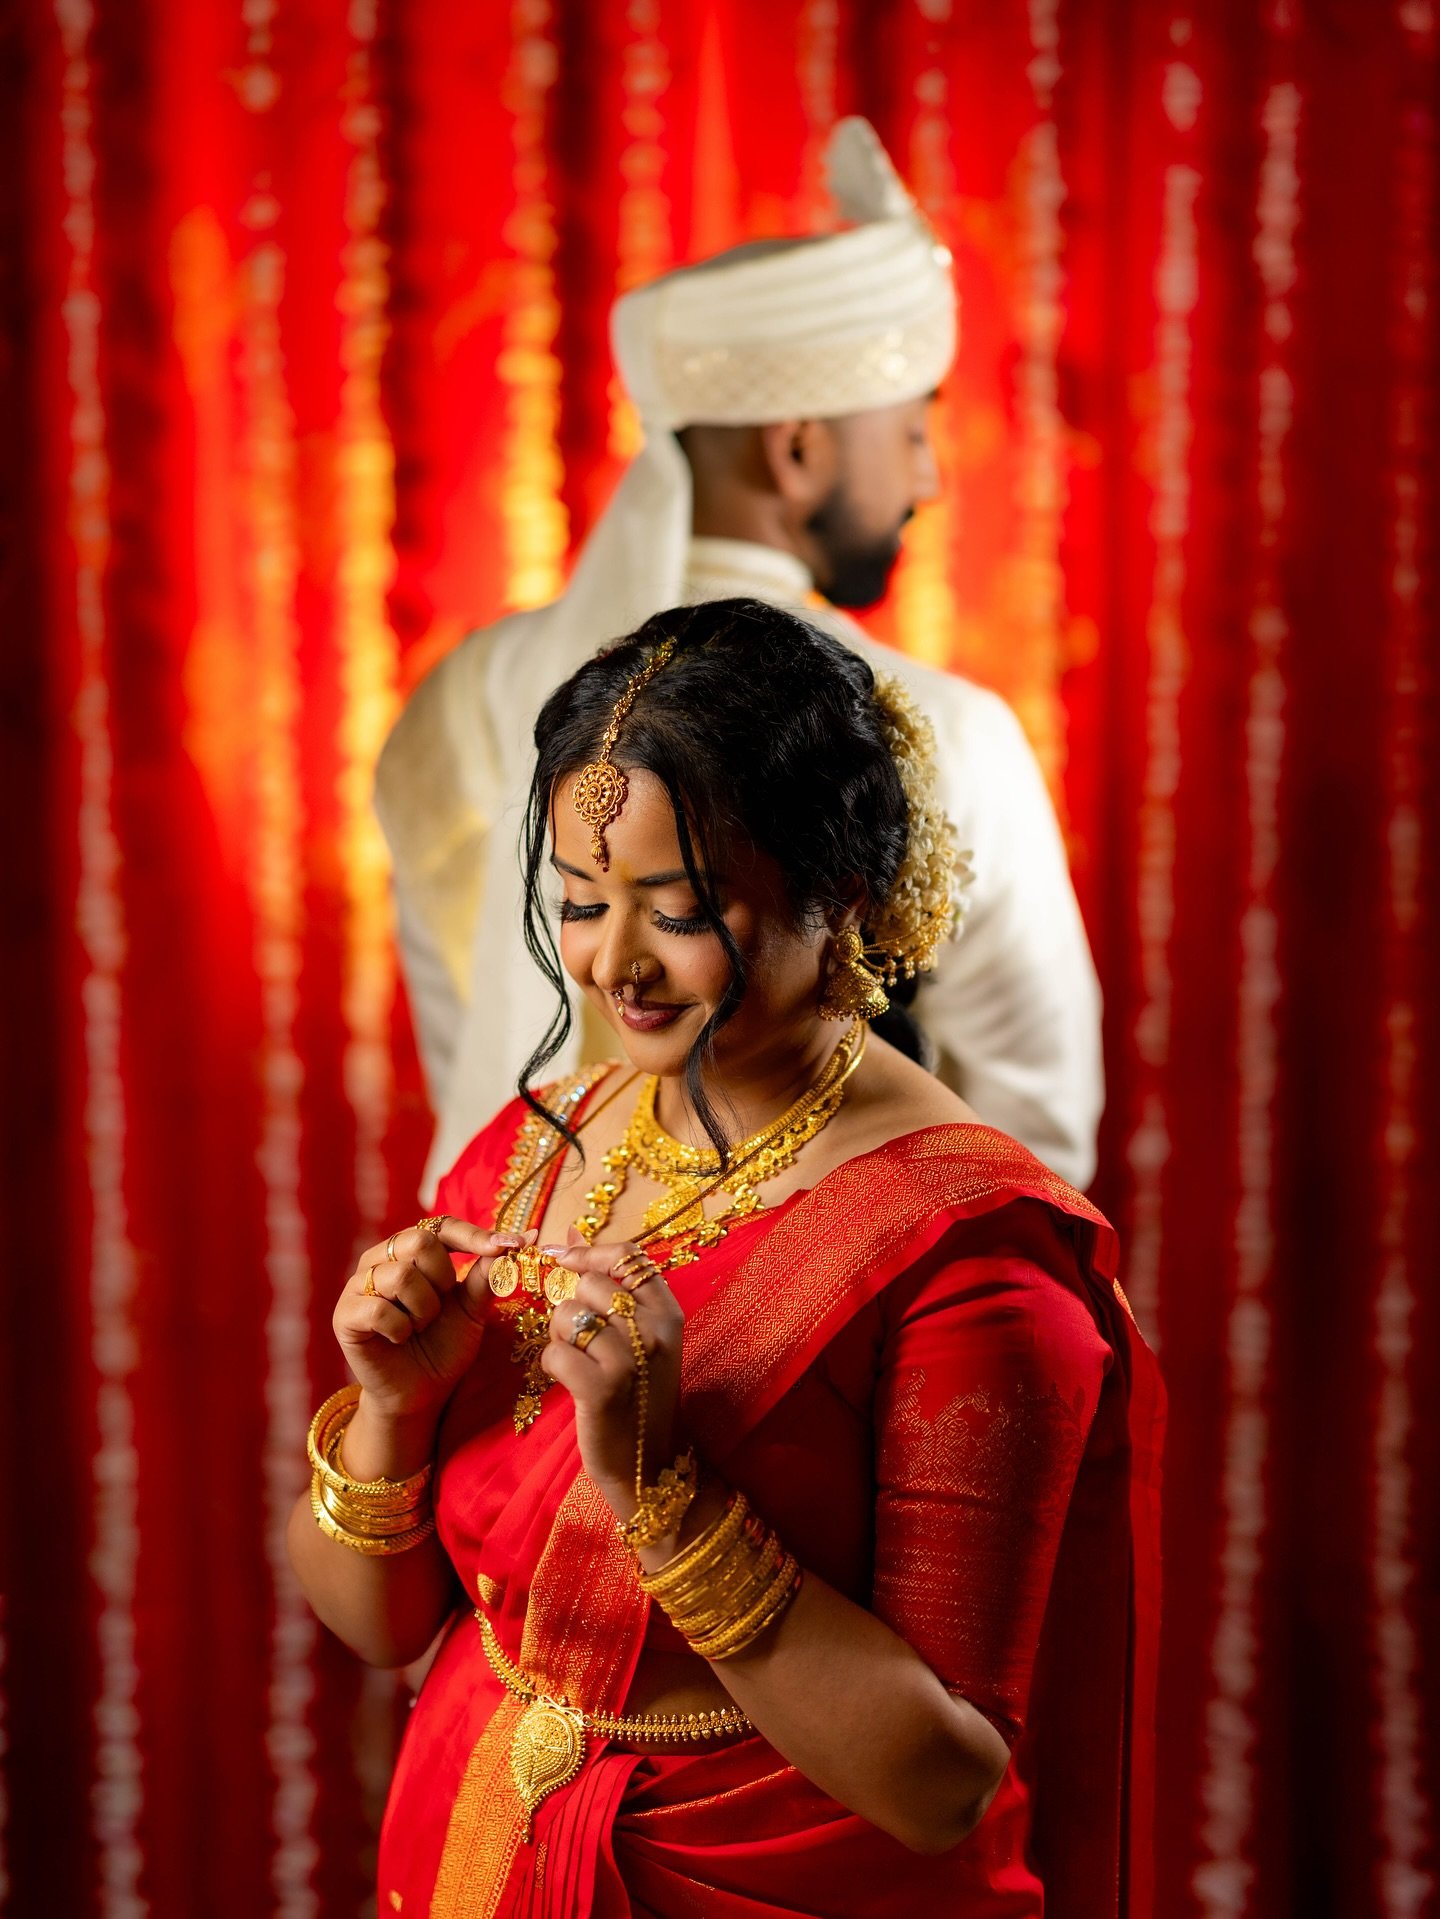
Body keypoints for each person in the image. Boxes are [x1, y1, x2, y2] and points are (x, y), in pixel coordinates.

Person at [292, 600, 1161, 1918]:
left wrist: (661, 1490)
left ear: (841, 889)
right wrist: (393, 1414)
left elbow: (940, 1783)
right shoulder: (532, 1151)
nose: (614, 963)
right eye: (581, 902)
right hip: (474, 1847)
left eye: (680, 906)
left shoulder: (970, 1260)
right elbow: (383, 1625)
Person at [376, 117, 1103, 1202]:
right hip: (848, 1324)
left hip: (528, 1269)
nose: (930, 475)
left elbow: (475, 1060)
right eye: (911, 427)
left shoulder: (468, 692)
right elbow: (1028, 1135)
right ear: (799, 444)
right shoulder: (942, 725)